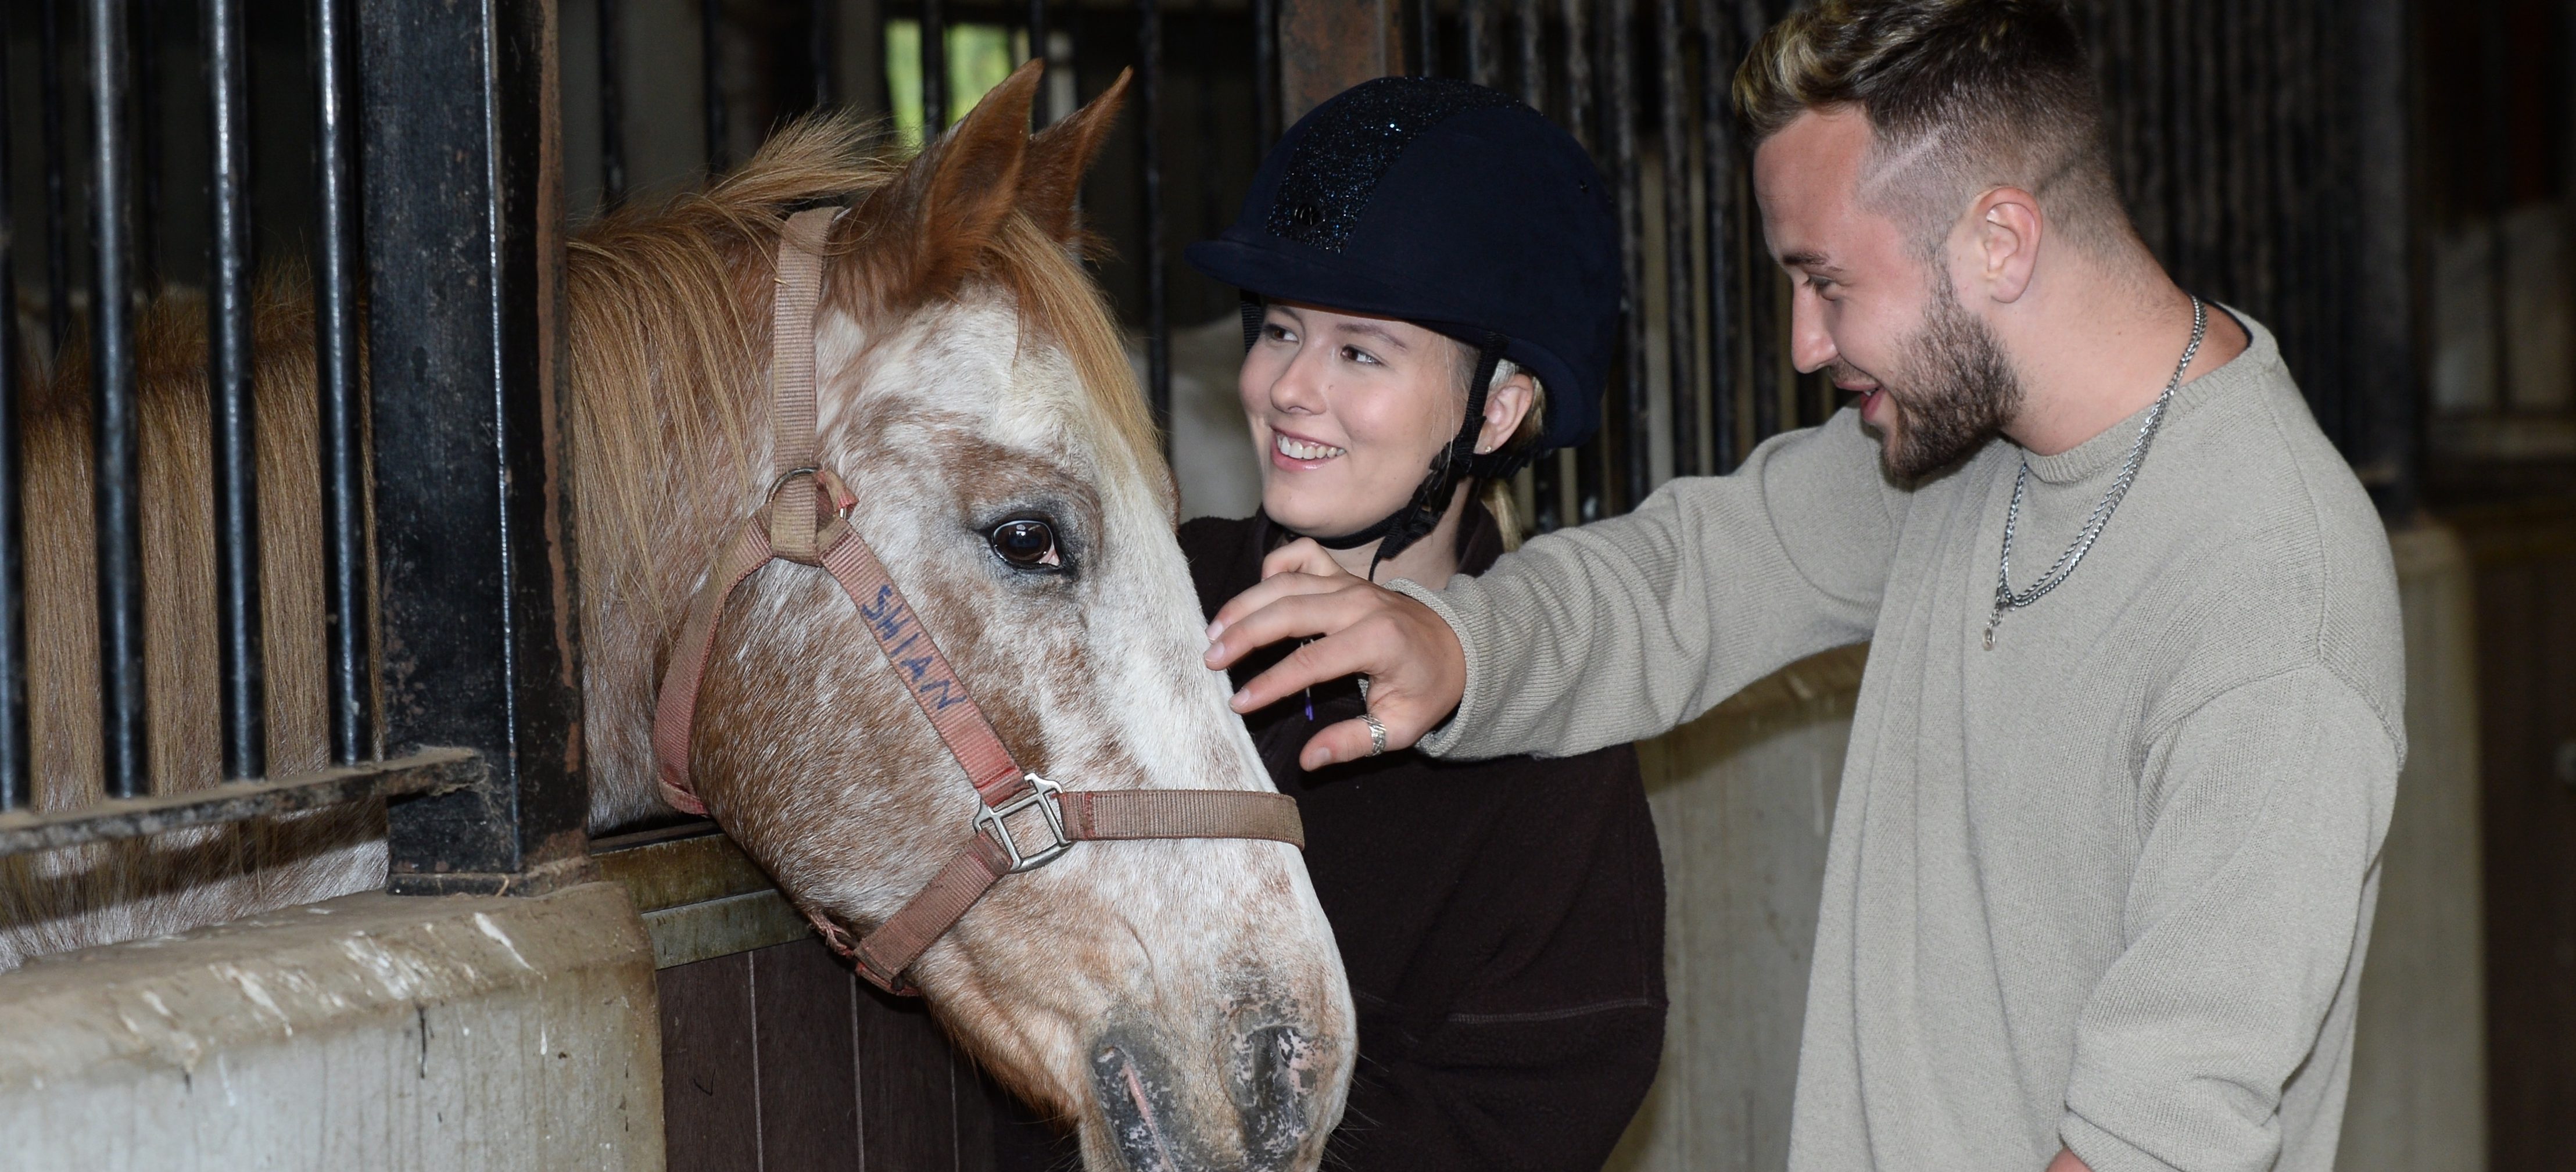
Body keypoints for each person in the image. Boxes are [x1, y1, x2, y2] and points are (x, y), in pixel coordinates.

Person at [1204, 4, 2402, 1172]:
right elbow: (1697, 574)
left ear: (2001, 241)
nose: (1804, 344)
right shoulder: (1965, 446)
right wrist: (1458, 647)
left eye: (1827, 282)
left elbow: (2164, 1136)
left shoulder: (2269, 599)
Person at [995, 76, 1667, 1172]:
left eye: (1360, 351)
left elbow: (1529, 1111)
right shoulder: (1133, 590)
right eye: (1279, 331)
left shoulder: (1560, 743)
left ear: (1495, 409)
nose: (1288, 388)